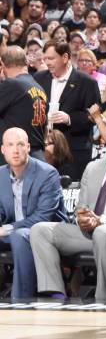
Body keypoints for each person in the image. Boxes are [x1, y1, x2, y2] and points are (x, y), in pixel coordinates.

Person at [30, 116, 106, 302]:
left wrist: (103, 219)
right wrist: (82, 216)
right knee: (40, 230)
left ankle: (104, 297)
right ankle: (54, 294)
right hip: (91, 231)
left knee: (103, 232)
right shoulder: (92, 166)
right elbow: (82, 205)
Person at [0, 128, 67, 299]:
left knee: (20, 235)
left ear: (28, 147)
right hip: (11, 232)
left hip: (44, 232)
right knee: (18, 235)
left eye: (20, 144)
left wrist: (7, 228)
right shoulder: (0, 175)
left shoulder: (47, 173)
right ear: (3, 149)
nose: (15, 150)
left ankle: (21, 299)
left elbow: (43, 217)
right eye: (10, 145)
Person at [35, 41, 101, 180]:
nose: (47, 62)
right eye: (45, 58)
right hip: (43, 150)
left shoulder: (87, 82)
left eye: (51, 58)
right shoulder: (39, 78)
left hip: (74, 151)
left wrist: (69, 119)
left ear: (65, 58)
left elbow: (93, 116)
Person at [0, 47, 48, 162]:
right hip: (36, 155)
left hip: (15, 158)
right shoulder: (39, 88)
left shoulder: (12, 85)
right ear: (26, 62)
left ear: (2, 64)